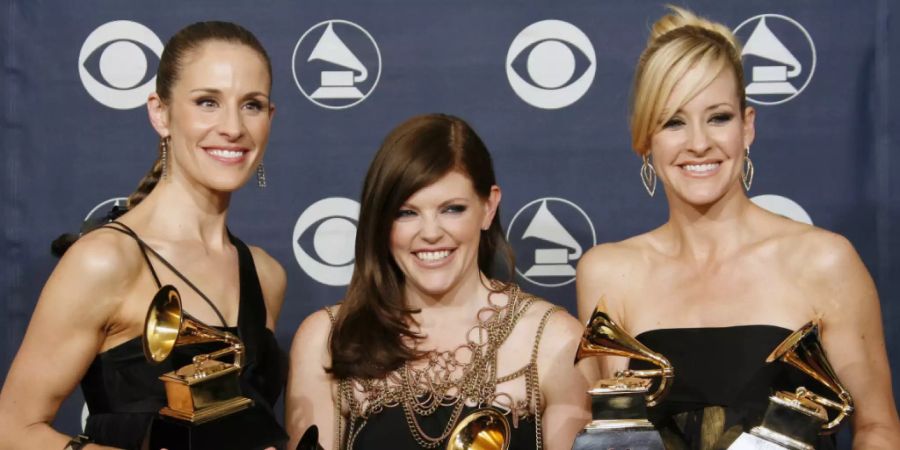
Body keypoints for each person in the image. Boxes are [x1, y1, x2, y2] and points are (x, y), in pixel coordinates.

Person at [575, 6, 900, 450]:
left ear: (747, 127)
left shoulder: (824, 261)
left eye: (719, 117)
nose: (699, 143)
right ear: (644, 138)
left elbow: (878, 428)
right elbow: (611, 436)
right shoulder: (609, 273)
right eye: (674, 121)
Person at [0, 21, 287, 449]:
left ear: (269, 119)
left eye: (252, 105)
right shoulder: (106, 260)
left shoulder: (266, 275)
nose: (233, 127)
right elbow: (11, 430)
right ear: (160, 112)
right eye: (208, 102)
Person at [286, 114, 591, 450]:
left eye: (452, 209)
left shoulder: (554, 340)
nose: (430, 233)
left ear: (488, 207)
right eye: (406, 212)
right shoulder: (327, 338)